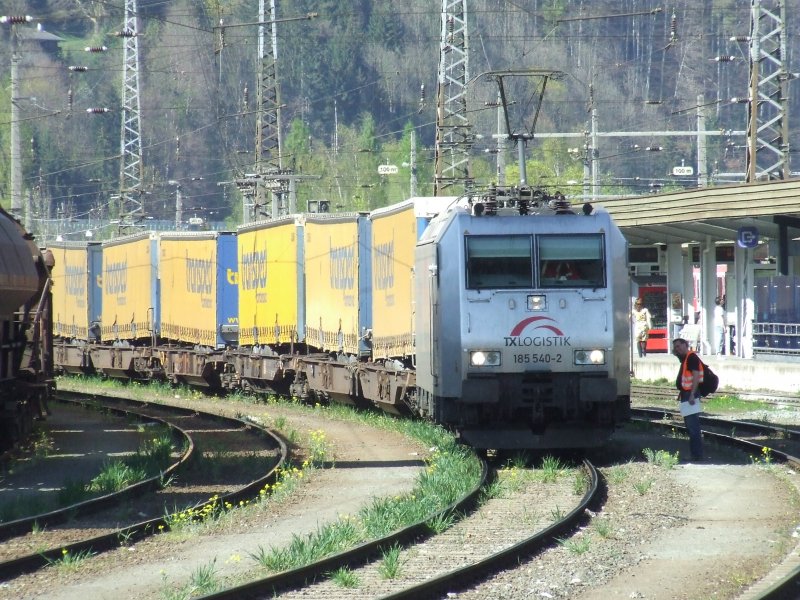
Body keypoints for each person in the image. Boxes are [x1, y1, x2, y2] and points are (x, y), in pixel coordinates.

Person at [671, 337, 705, 462]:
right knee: (690, 425)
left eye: (679, 346)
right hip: (686, 394)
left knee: (693, 426)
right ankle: (695, 454)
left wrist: (692, 394)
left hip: (691, 395)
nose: (677, 349)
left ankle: (697, 455)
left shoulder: (691, 357)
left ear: (686, 345)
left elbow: (695, 376)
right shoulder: (685, 358)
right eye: (675, 347)